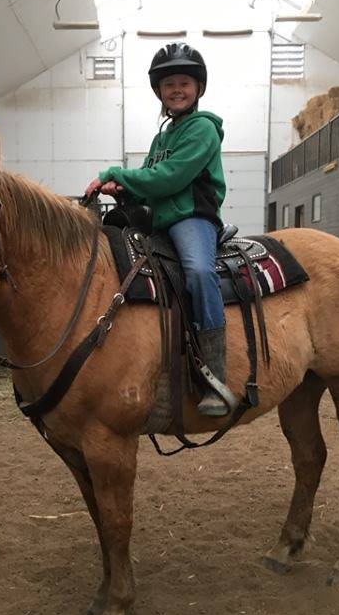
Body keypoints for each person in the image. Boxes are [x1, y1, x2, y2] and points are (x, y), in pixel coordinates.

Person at [85, 42, 230, 417]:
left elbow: (169, 177)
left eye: (184, 82)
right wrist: (123, 189)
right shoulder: (162, 137)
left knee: (198, 272)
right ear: (159, 92)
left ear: (198, 88)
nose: (176, 90)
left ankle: (215, 372)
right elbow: (150, 177)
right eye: (169, 85)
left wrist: (115, 173)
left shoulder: (202, 130)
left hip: (191, 219)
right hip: (161, 221)